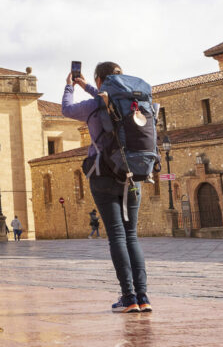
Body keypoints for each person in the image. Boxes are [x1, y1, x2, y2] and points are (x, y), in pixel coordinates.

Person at [62, 62, 151, 314]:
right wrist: (87, 86)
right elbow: (108, 99)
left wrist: (70, 87)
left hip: (103, 174)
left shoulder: (94, 105)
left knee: (116, 236)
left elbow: (66, 110)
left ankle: (128, 297)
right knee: (131, 235)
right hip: (134, 174)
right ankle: (143, 297)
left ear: (99, 80)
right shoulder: (135, 100)